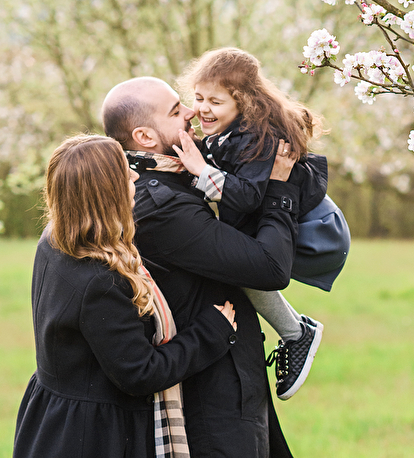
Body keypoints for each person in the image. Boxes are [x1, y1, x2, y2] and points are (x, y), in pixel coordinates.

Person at [101, 77, 299, 458]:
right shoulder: (161, 205)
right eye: (177, 110)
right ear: (144, 137)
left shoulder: (171, 176)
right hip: (216, 400)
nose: (192, 112)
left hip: (230, 379)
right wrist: (279, 187)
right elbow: (270, 267)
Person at [13, 134, 238, 458]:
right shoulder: (100, 281)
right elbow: (141, 372)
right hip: (91, 436)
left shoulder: (54, 240)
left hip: (53, 418)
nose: (134, 176)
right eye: (124, 173)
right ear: (106, 193)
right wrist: (211, 332)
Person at [173, 47, 350, 400]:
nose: (203, 108)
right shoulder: (230, 132)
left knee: (241, 265)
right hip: (281, 220)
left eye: (216, 102)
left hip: (316, 230)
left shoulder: (260, 138)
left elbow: (247, 196)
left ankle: (297, 333)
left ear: (243, 102)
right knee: (234, 260)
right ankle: (294, 330)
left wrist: (201, 169)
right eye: (198, 98)